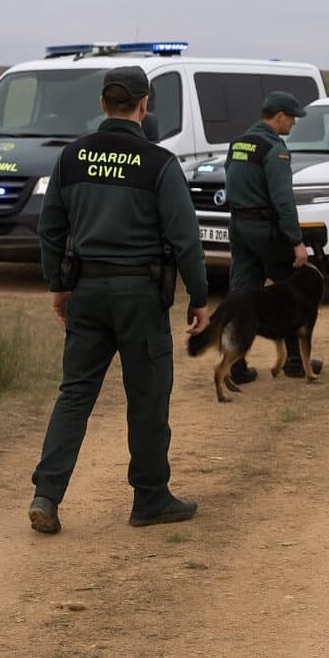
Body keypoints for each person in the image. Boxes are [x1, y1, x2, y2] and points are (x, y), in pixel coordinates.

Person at [29, 66, 210, 534]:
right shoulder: (158, 162)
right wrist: (199, 296)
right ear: (143, 105)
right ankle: (150, 499)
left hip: (87, 293)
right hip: (140, 298)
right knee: (147, 398)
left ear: (104, 103)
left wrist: (58, 285)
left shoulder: (71, 158)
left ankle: (46, 496)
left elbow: (50, 227)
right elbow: (185, 237)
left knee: (74, 396)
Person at [224, 91, 321, 382]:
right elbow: (283, 200)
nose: (293, 124)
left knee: (241, 293)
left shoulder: (238, 143)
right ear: (278, 116)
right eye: (291, 118)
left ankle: (235, 365)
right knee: (289, 292)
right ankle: (294, 361)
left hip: (239, 225)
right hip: (266, 231)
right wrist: (296, 240)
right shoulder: (274, 149)